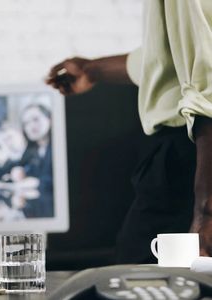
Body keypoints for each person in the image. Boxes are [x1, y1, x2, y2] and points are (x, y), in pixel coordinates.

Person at [46, 2, 212, 263]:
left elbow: (207, 88)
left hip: (191, 156)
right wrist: (95, 69)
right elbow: (170, 57)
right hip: (190, 153)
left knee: (136, 274)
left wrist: (205, 213)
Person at [17, 104, 54, 218]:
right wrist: (22, 172)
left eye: (36, 119)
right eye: (26, 123)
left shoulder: (57, 147)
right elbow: (30, 170)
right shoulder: (34, 150)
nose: (31, 126)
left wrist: (39, 183)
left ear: (49, 119)